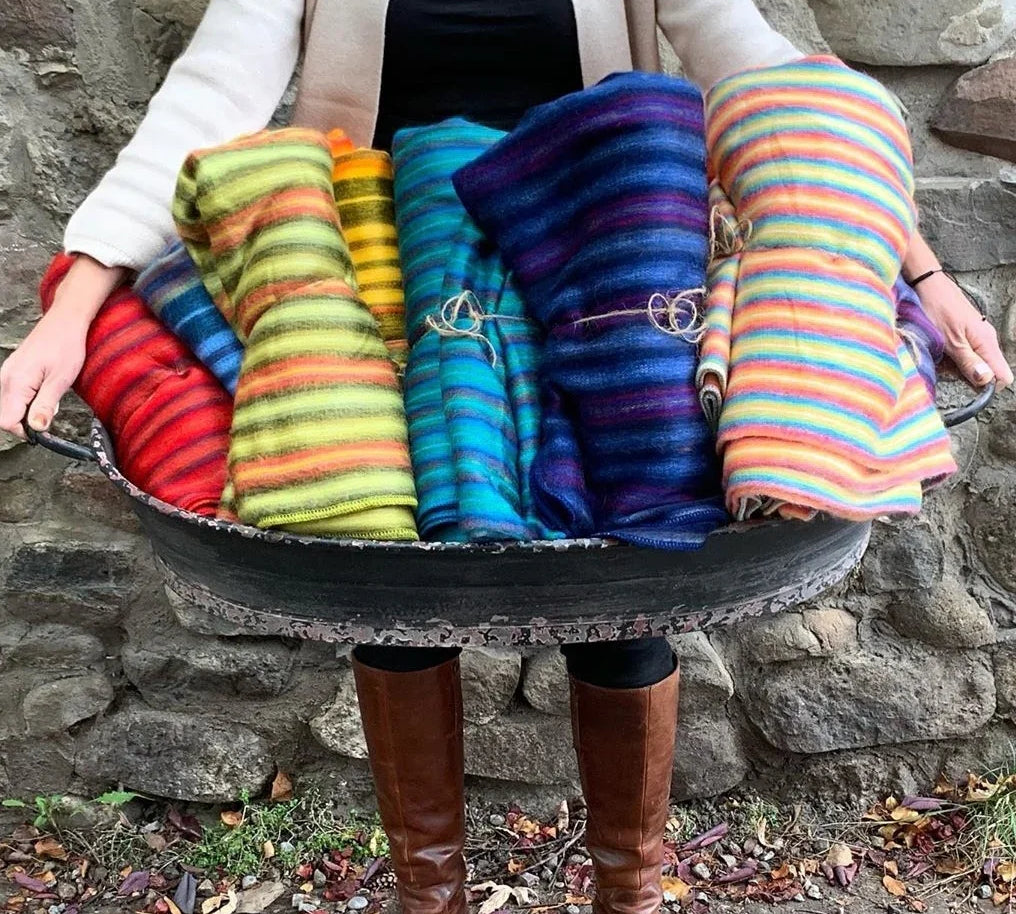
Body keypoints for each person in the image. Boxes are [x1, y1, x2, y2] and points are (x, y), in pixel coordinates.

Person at [0, 3, 1011, 914]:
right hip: (395, 277)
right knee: (391, 595)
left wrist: (918, 271)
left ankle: (628, 893)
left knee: (624, 596)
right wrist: (73, 305)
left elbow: (775, 83)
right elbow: (208, 96)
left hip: (588, 256)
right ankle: (427, 896)